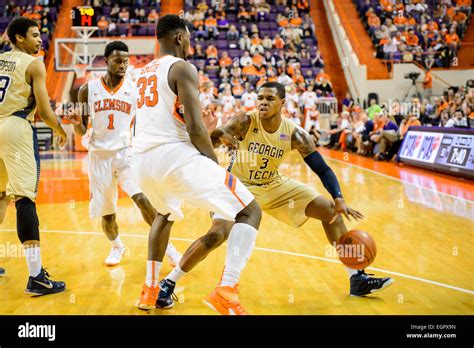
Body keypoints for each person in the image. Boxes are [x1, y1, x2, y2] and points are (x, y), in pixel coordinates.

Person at [157, 82, 393, 308]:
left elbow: (322, 168)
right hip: (238, 186)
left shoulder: (295, 134)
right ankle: (169, 282)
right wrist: (211, 133)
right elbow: (213, 139)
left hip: (272, 185)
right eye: (260, 98)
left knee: (331, 211)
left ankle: (356, 278)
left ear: (282, 103)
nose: (263, 102)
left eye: (270, 99)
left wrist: (339, 197)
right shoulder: (244, 121)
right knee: (217, 235)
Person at [131, 15, 262, 315]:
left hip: (141, 161)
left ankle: (150, 291)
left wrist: (197, 131)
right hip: (173, 158)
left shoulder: (140, 73)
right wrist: (213, 164)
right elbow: (194, 128)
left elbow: (163, 120)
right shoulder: (182, 67)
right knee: (250, 210)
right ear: (179, 37)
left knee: (163, 215)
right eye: (188, 38)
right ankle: (226, 290)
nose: (190, 45)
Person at [68, 41, 181, 267]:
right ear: (106, 60)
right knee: (108, 214)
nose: (123, 65)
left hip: (127, 153)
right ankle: (117, 246)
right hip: (99, 156)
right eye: (118, 60)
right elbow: (81, 128)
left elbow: (143, 122)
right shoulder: (86, 90)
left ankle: (168, 249)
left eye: (126, 61)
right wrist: (74, 124)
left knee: (142, 199)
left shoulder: (134, 89)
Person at [0, 17, 67, 295]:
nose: (40, 40)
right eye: (35, 35)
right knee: (24, 199)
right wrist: (60, 131)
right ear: (18, 38)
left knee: (0, 196)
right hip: (15, 127)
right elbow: (45, 110)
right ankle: (37, 277)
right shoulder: (34, 63)